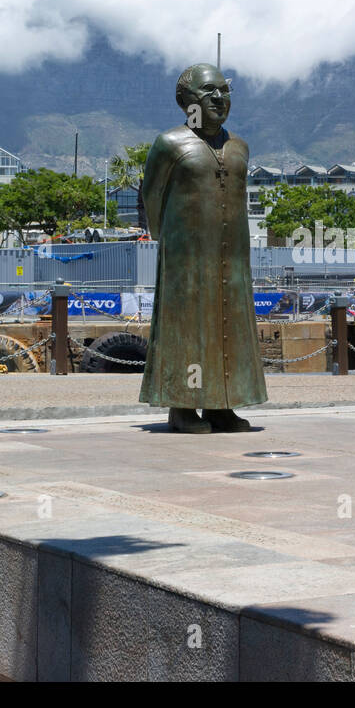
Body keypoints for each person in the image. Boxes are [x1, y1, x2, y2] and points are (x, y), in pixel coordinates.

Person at [138, 64, 266, 432]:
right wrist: (172, 244)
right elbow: (151, 196)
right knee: (189, 328)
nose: (219, 98)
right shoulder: (170, 144)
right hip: (186, 258)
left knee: (232, 326)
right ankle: (183, 405)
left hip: (233, 257)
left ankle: (222, 405)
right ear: (186, 101)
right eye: (209, 91)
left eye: (224, 91)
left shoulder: (239, 147)